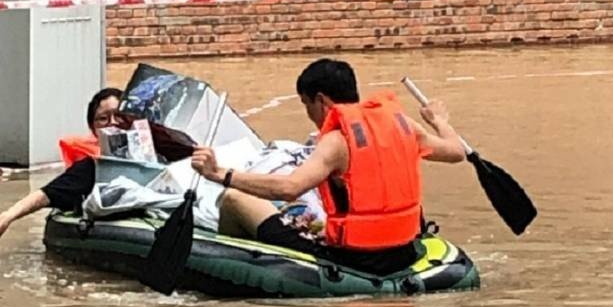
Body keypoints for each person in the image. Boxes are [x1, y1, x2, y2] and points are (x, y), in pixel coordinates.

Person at [191, 59, 465, 278]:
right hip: (404, 251)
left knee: (235, 198)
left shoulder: (336, 141)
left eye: (306, 104)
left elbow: (290, 188)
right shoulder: (404, 125)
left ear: (321, 101)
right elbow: (456, 152)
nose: (309, 113)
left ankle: (233, 266)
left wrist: (221, 174)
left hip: (354, 259)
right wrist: (439, 120)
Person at [0, 88, 125, 245]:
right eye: (103, 118)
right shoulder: (92, 167)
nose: (113, 123)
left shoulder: (149, 151)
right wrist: (5, 218)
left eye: (119, 115)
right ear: (93, 129)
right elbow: (47, 193)